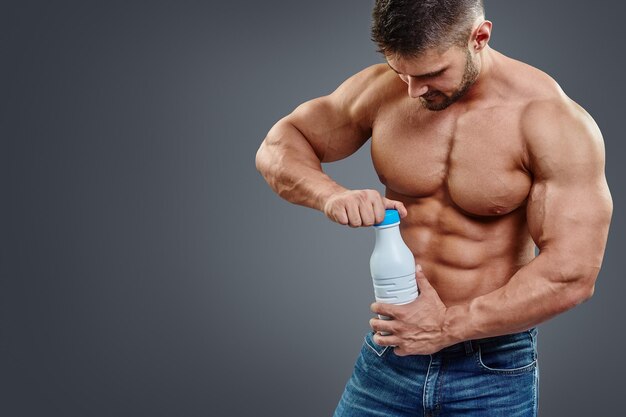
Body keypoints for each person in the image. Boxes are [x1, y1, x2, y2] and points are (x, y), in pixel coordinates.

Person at [255, 0, 613, 416]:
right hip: (391, 354)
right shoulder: (383, 91)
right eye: (401, 72)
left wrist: (446, 327)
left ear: (479, 37)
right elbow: (280, 144)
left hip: (492, 368)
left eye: (430, 74)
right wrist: (329, 194)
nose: (413, 91)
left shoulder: (551, 121)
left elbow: (572, 275)